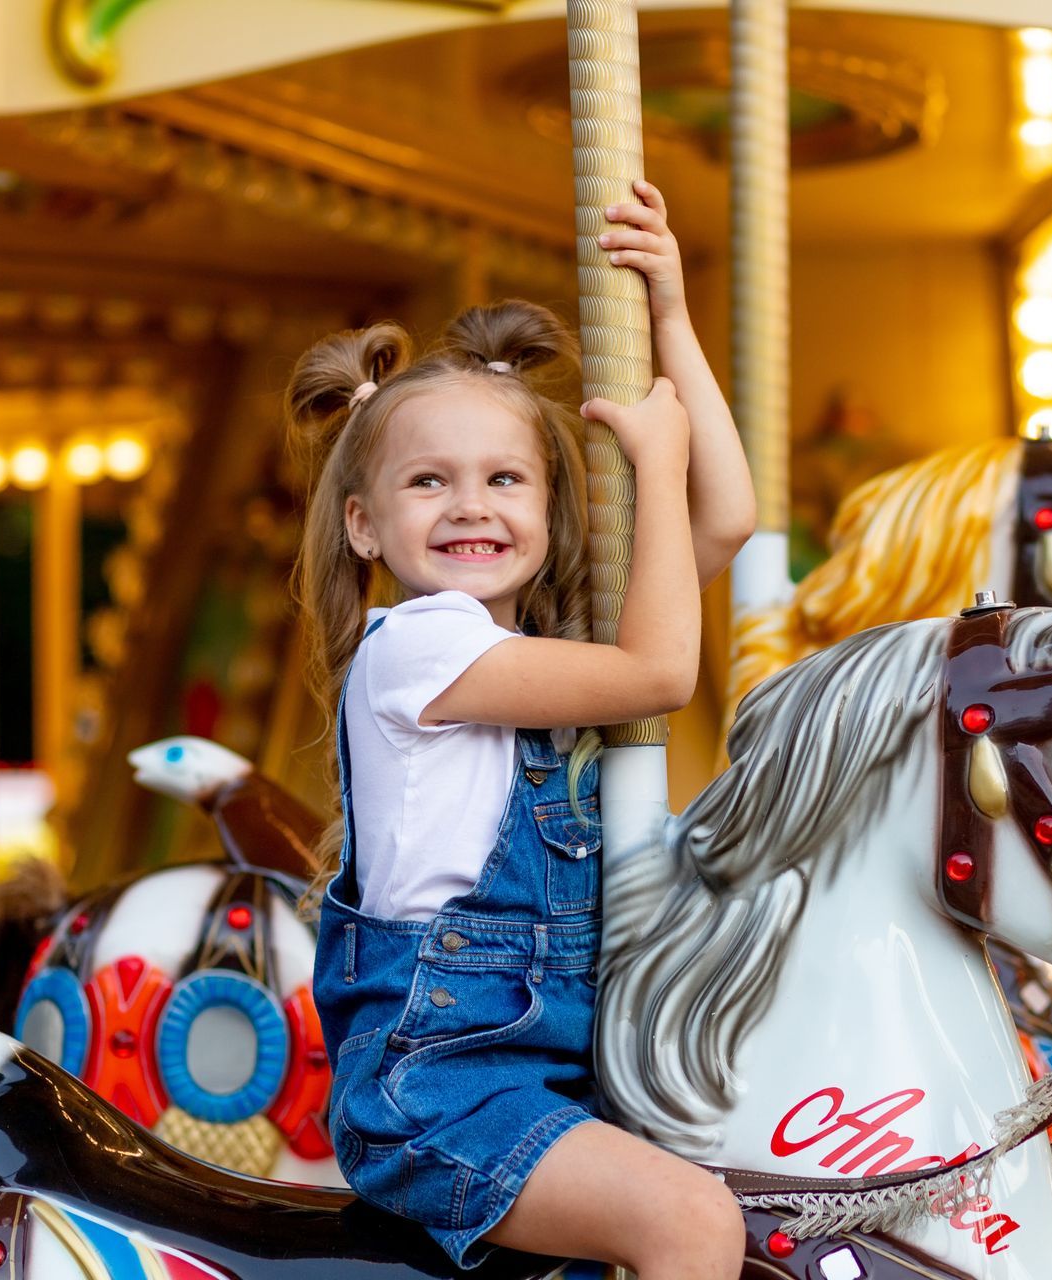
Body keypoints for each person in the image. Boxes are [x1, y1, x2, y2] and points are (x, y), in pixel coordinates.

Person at [292, 182, 754, 1278]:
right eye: (427, 482)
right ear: (365, 522)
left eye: (504, 478)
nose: (470, 504)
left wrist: (673, 319)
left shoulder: (547, 650)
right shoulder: (415, 646)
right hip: (438, 1082)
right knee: (691, 1223)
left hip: (551, 1067)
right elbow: (662, 669)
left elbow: (725, 521)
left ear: (548, 513)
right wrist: (655, 458)